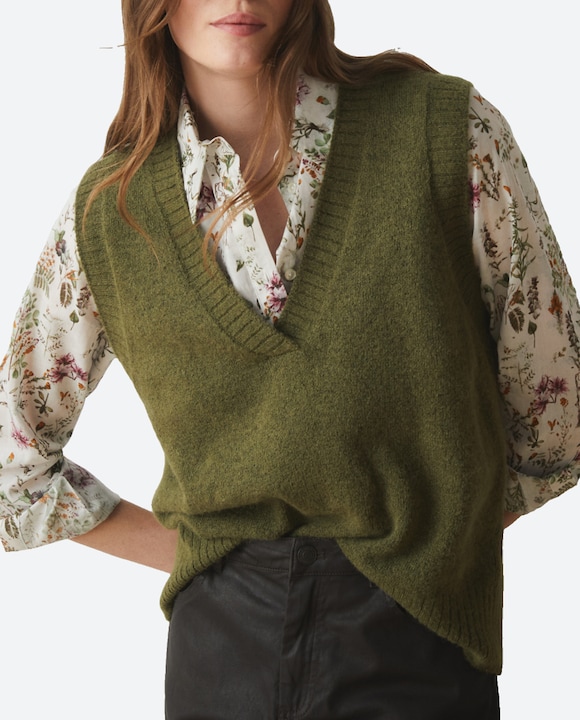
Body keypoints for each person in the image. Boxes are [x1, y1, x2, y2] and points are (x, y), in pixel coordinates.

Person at [1, 0, 579, 717]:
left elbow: (557, 420)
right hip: (220, 661)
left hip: (415, 651)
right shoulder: (110, 213)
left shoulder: (447, 134)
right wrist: (201, 555)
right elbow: (13, 464)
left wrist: (434, 544)